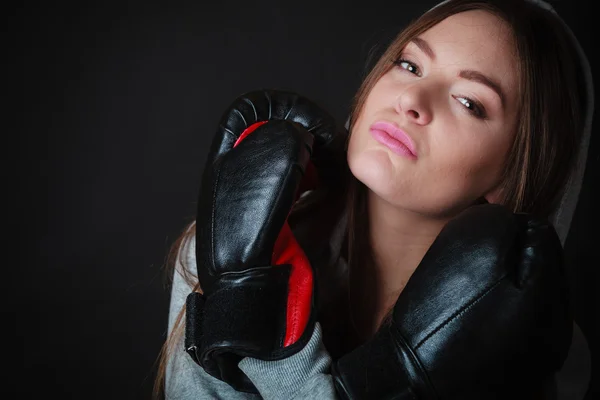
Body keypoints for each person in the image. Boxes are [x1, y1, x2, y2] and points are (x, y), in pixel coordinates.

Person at [153, 0, 594, 398]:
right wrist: (237, 307)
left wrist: (278, 360)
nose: (411, 99)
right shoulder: (229, 246)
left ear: (513, 169)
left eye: (468, 102)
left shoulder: (525, 356)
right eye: (410, 65)